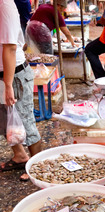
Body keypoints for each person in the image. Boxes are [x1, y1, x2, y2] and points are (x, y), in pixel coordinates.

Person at [0, 0, 41, 181]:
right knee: (5, 120)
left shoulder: (6, 5)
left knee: (25, 121)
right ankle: (20, 156)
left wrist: (8, 85)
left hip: (15, 76)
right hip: (5, 75)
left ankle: (37, 166)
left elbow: (10, 47)